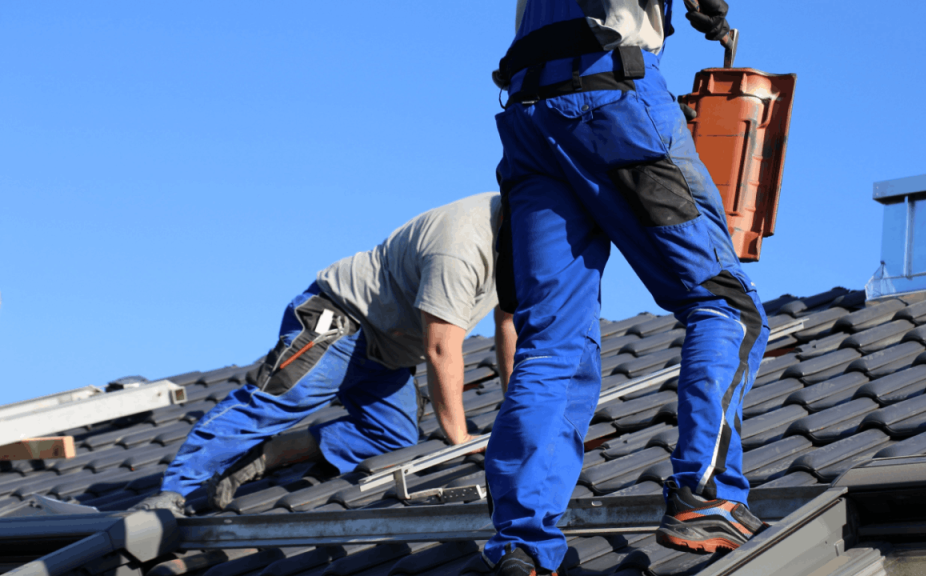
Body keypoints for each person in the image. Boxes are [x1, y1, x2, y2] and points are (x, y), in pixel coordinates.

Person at [469, 1, 770, 573]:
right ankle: (704, 496)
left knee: (551, 343)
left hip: (529, 119)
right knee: (726, 305)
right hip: (609, 101)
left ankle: (523, 547)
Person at [132, 192, 516, 516]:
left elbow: (508, 326)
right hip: (342, 318)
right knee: (280, 399)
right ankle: (172, 494)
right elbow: (440, 348)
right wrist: (461, 437)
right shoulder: (464, 245)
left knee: (394, 439)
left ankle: (270, 456)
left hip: (390, 353)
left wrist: (517, 408)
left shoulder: (521, 244)